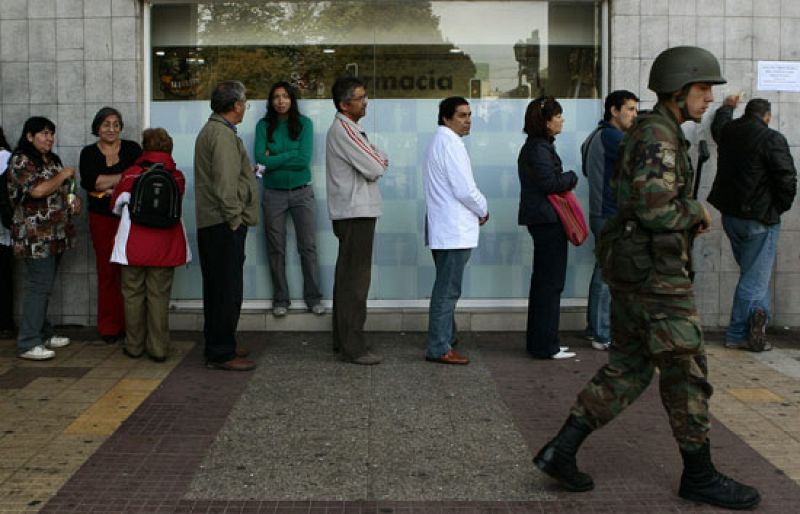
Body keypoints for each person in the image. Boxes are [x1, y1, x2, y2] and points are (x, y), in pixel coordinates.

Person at [533, 46, 761, 510]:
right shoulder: (659, 137)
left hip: (640, 273)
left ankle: (562, 450)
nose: (708, 97)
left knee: (630, 368)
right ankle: (699, 475)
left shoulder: (655, 131)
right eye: (702, 89)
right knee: (687, 373)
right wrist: (695, 210)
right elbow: (655, 208)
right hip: (658, 280)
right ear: (678, 91)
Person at [708, 96, 797, 352]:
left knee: (754, 273)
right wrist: (778, 208)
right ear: (766, 116)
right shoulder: (772, 138)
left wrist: (726, 107)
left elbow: (719, 125)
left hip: (731, 217)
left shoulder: (729, 131)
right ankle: (737, 334)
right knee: (754, 279)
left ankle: (758, 317)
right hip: (760, 219)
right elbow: (787, 178)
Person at [110, 128, 191, 362]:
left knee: (133, 295)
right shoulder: (176, 176)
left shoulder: (131, 174)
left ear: (145, 148)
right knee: (159, 296)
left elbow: (116, 206)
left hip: (133, 244)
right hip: (166, 245)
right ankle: (158, 349)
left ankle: (134, 346)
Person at [194, 80, 259, 371]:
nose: (245, 107)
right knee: (225, 289)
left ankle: (222, 343)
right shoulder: (221, 135)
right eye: (244, 103)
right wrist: (235, 219)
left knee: (219, 288)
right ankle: (221, 351)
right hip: (223, 223)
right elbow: (225, 184)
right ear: (236, 106)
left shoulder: (217, 131)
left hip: (216, 222)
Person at [7, 117, 82, 360]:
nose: (49, 138)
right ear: (29, 136)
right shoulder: (21, 160)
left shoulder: (52, 160)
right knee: (39, 286)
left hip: (56, 233)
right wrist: (63, 175)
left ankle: (44, 332)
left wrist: (74, 200)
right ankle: (28, 342)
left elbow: (63, 189)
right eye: (43, 133)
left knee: (45, 286)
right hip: (34, 236)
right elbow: (37, 190)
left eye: (51, 133)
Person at [326, 77, 388, 365]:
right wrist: (378, 160)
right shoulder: (344, 129)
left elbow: (374, 161)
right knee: (355, 282)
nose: (366, 102)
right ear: (344, 104)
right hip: (355, 212)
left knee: (347, 278)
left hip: (354, 211)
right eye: (361, 97)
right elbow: (377, 165)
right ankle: (354, 347)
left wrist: (376, 159)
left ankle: (344, 340)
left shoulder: (350, 128)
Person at [423, 97, 488, 366]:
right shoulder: (451, 144)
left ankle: (447, 335)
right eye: (462, 115)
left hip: (445, 227)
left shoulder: (441, 141)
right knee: (447, 290)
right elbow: (464, 190)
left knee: (445, 286)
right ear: (446, 118)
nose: (468, 120)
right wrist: (483, 208)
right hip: (453, 229)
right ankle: (439, 347)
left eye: (469, 114)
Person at [254, 81, 324, 317]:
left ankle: (313, 297)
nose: (281, 101)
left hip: (302, 192)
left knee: (308, 247)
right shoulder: (264, 126)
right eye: (276, 97)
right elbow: (260, 161)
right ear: (271, 101)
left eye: (285, 96)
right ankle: (280, 299)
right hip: (273, 193)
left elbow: (303, 160)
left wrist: (274, 157)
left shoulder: (305, 124)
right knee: (276, 249)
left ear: (292, 100)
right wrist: (289, 154)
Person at [517, 96, 578, 360]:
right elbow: (549, 183)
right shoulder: (538, 148)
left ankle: (545, 341)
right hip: (547, 220)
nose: (562, 120)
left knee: (546, 283)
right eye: (558, 115)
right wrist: (572, 177)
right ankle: (545, 346)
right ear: (545, 121)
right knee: (549, 284)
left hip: (544, 219)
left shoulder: (539, 147)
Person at [581, 90, 639, 350]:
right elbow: (640, 164)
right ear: (613, 111)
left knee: (602, 270)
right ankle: (602, 333)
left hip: (601, 210)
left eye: (636, 110)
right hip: (609, 212)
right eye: (629, 109)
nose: (634, 115)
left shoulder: (594, 135)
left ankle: (595, 329)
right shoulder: (613, 137)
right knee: (607, 274)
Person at [80, 107, 142, 343]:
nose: (111, 129)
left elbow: (139, 176)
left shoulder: (132, 149)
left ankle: (131, 326)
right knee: (107, 271)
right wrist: (124, 177)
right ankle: (109, 327)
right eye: (106, 124)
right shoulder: (88, 153)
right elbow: (91, 182)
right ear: (97, 127)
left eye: (116, 124)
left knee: (129, 272)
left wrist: (107, 185)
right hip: (101, 219)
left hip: (129, 217)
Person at [0, 127, 15, 339]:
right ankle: (4, 323)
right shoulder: (7, 157)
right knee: (3, 276)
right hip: (4, 229)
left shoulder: (5, 158)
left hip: (2, 227)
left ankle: (4, 322)